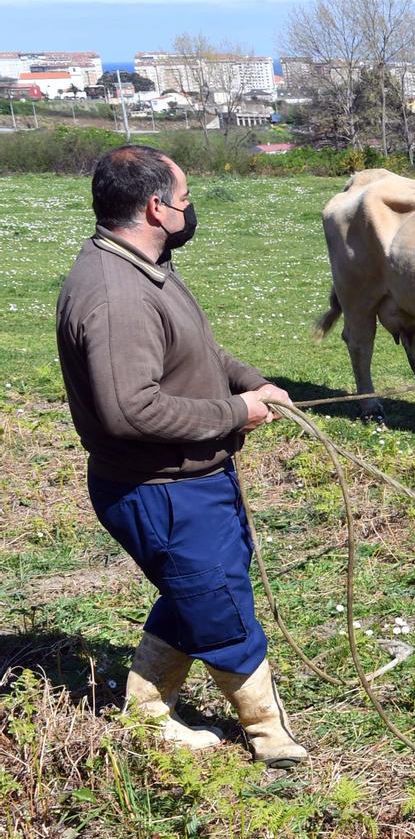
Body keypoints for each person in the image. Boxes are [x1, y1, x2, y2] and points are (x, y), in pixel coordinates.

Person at [55, 145, 309, 766]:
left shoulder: (146, 264)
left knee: (197, 587)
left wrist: (250, 383)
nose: (190, 211)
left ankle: (143, 711)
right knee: (219, 601)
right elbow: (130, 409)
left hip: (189, 481)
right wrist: (235, 414)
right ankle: (268, 736)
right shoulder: (118, 297)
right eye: (186, 199)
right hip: (159, 489)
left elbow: (196, 351)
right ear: (155, 207)